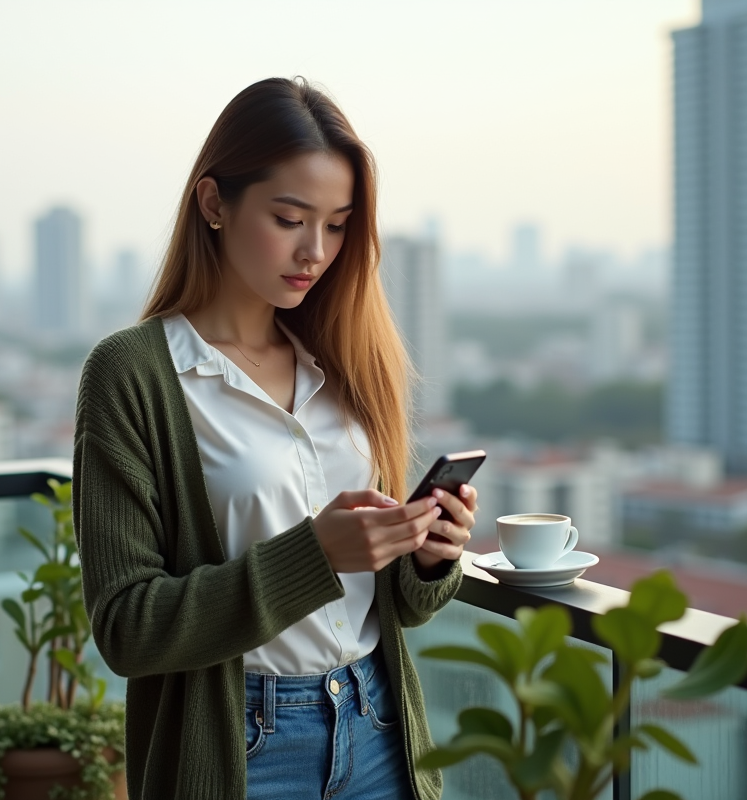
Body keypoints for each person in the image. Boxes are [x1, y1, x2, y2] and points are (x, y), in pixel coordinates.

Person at [73, 76, 479, 800]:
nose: (315, 251)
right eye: (290, 217)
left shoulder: (348, 360)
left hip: (379, 727)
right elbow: (126, 629)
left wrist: (423, 557)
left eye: (338, 223)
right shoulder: (133, 374)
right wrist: (314, 555)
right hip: (242, 749)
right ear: (213, 204)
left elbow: (397, 607)